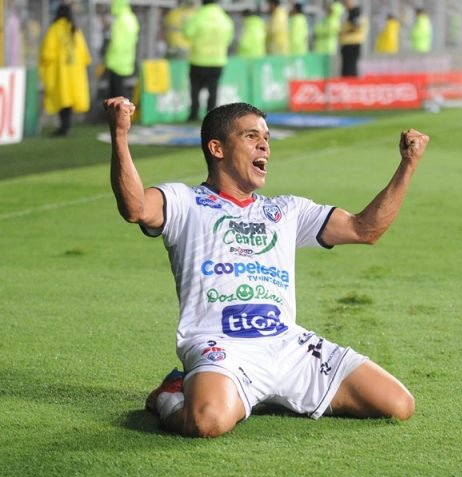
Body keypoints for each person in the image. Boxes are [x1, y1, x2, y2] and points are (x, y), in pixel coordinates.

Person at [103, 96, 427, 437]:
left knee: (398, 404)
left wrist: (407, 166)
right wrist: (120, 135)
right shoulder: (184, 202)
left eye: (267, 138)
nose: (265, 146)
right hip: (221, 346)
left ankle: (259, 394)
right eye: (251, 136)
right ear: (217, 148)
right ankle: (170, 394)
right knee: (206, 422)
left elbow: (365, 230)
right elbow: (135, 208)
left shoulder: (287, 211)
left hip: (288, 345)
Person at [39, 4, 91, 137]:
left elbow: (47, 54)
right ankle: (66, 127)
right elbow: (85, 55)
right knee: (69, 102)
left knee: (62, 100)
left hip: (61, 74)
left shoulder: (54, 29)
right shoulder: (75, 30)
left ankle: (64, 127)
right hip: (75, 75)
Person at [183, 0, 234, 122]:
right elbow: (229, 38)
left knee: (195, 89)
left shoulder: (198, 16)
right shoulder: (224, 18)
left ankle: (193, 114)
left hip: (199, 59)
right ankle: (211, 116)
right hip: (217, 60)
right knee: (213, 89)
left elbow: (187, 33)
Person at [104, 0, 139, 99]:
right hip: (126, 59)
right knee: (120, 91)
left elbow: (116, 43)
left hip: (116, 61)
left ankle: (118, 114)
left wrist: (107, 59)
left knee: (116, 93)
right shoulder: (131, 18)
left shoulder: (121, 20)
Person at [339, 5, 367, 76]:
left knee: (348, 63)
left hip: (348, 44)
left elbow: (342, 31)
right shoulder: (361, 20)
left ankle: (349, 78)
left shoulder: (350, 22)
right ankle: (351, 77)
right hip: (354, 43)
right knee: (352, 63)